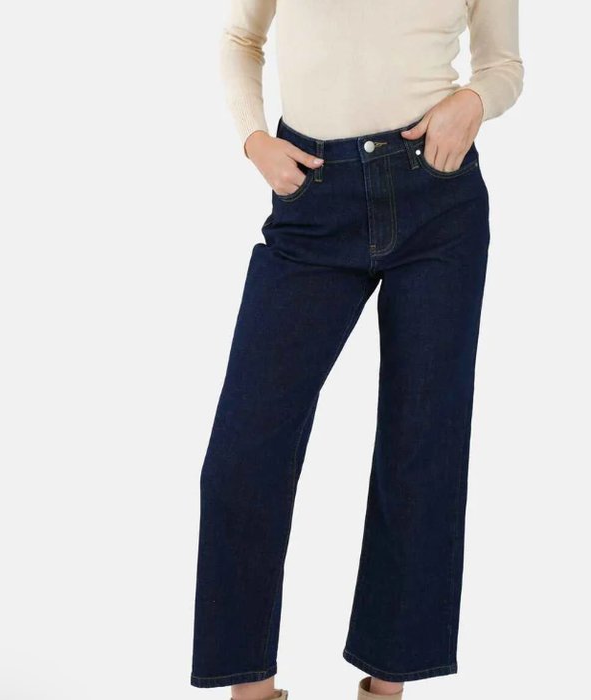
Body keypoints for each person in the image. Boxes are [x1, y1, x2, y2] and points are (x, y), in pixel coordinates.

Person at [191, 1, 523, 699]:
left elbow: (502, 67)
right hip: (312, 198)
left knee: (421, 452)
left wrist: (472, 102)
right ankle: (252, 690)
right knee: (244, 454)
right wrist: (253, 138)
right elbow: (240, 37)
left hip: (438, 199)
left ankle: (386, 688)